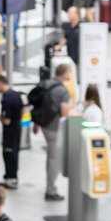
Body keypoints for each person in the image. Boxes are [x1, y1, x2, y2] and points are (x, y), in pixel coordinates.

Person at [34, 63, 73, 201]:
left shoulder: (45, 83)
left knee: (50, 157)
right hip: (54, 128)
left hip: (43, 125)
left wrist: (36, 123)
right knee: (53, 160)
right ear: (64, 73)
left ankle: (50, 186)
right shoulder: (63, 91)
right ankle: (51, 190)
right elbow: (64, 113)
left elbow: (38, 103)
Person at [0, 75, 23, 189]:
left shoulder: (7, 98)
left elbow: (6, 121)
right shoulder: (15, 95)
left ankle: (11, 179)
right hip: (17, 129)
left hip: (10, 132)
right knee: (14, 153)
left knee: (9, 154)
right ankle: (11, 177)